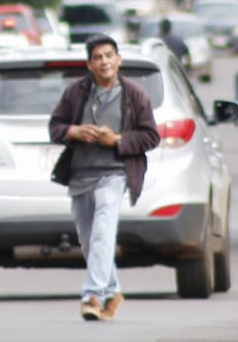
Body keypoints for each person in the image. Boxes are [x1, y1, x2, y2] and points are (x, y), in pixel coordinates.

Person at [47, 35, 160, 322]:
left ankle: (92, 295)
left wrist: (117, 139)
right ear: (89, 64)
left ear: (119, 60)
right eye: (97, 57)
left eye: (109, 55)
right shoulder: (76, 93)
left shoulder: (134, 95)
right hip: (80, 174)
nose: (104, 61)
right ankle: (113, 292)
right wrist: (74, 132)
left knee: (103, 232)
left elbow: (151, 136)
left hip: (114, 174)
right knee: (88, 241)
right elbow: (55, 127)